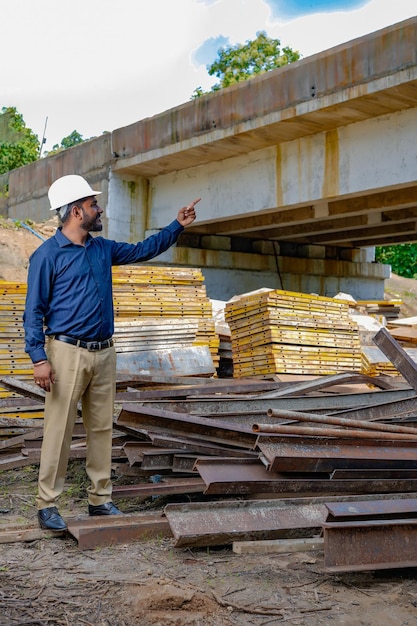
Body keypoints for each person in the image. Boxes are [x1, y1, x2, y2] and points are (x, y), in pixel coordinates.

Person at [23, 174, 200, 531]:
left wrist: (176, 226)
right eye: (92, 204)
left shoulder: (103, 249)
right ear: (76, 212)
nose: (98, 208)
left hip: (104, 353)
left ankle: (99, 500)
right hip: (65, 353)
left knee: (101, 428)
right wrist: (39, 358)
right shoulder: (47, 256)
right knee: (58, 429)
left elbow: (142, 249)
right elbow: (33, 311)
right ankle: (47, 504)